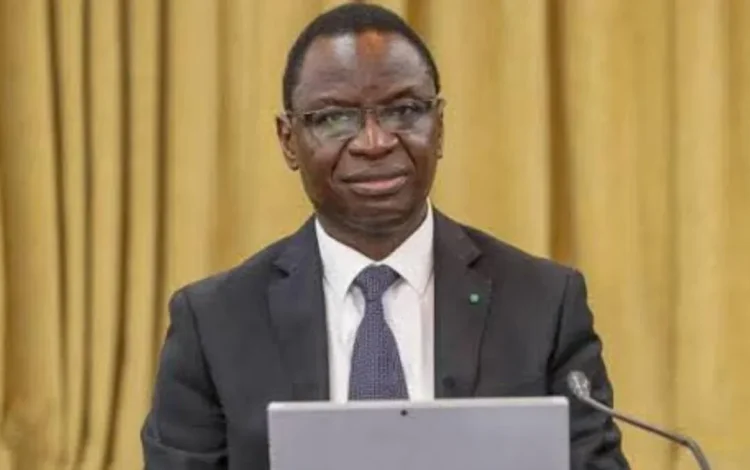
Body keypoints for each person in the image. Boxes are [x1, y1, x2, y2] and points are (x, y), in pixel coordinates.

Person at [141, 3, 630, 469]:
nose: (374, 142)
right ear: (289, 140)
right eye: (334, 118)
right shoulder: (215, 323)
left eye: (404, 111)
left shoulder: (544, 304)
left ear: (440, 128)